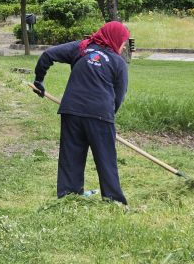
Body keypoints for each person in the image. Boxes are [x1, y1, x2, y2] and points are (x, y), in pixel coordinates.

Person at [32, 21, 130, 204]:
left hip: (72, 110)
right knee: (106, 158)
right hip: (99, 113)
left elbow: (47, 55)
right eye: (123, 42)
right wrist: (108, 117)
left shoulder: (82, 48)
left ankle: (68, 197)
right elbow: (119, 96)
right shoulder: (118, 63)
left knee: (71, 156)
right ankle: (114, 201)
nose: (123, 46)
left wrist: (39, 80)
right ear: (116, 40)